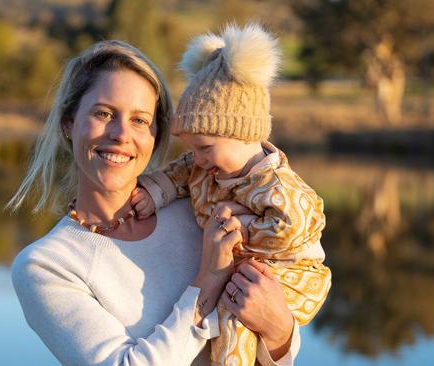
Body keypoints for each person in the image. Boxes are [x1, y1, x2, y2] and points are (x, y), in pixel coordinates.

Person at [8, 38, 300, 365]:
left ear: (155, 134)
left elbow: (266, 325)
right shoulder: (46, 265)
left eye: (140, 120)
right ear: (68, 123)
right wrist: (209, 277)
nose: (121, 134)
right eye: (104, 113)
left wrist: (279, 331)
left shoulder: (201, 207)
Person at [132, 23, 331, 366]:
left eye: (205, 148)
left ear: (242, 134)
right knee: (232, 309)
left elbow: (294, 226)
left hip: (294, 274)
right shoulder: (204, 167)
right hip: (250, 275)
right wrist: (153, 192)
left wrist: (240, 228)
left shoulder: (275, 185)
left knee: (233, 316)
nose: (197, 158)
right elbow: (176, 174)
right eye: (192, 148)